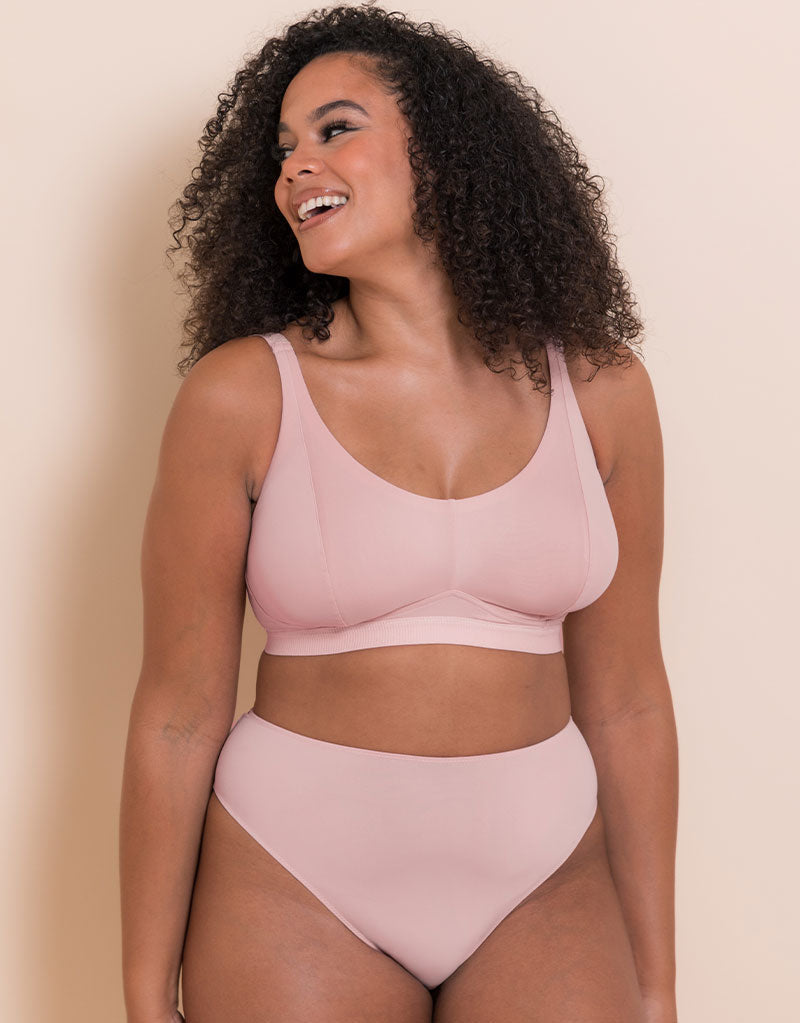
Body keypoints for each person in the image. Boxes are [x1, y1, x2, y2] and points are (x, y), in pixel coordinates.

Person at [119, 5, 679, 1022]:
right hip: (295, 870)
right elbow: (176, 712)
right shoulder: (241, 394)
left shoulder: (603, 390)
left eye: (335, 129)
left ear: (450, 152)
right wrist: (146, 992)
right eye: (282, 148)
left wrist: (656, 981)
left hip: (546, 870)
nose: (295, 166)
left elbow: (629, 701)